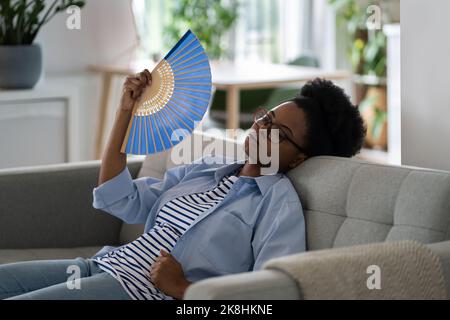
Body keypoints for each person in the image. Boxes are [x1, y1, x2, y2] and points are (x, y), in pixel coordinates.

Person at [0, 70, 365, 300]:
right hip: (104, 266)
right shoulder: (208, 169)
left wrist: (185, 290)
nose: (261, 129)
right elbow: (118, 195)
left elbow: (267, 302)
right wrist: (125, 112)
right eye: (265, 118)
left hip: (139, 292)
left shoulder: (277, 206)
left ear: (299, 158)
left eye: (279, 133)